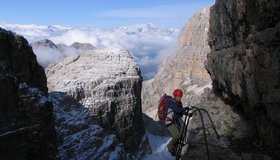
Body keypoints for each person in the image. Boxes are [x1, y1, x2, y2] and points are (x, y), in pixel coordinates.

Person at [165, 89, 189, 156]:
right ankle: (169, 146)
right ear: (175, 96)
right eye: (178, 96)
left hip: (175, 122)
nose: (179, 98)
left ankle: (175, 149)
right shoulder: (171, 102)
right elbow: (177, 110)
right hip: (169, 122)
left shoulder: (179, 103)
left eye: (180, 96)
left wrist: (187, 113)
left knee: (181, 135)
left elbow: (180, 112)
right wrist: (185, 108)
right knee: (177, 135)